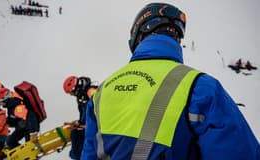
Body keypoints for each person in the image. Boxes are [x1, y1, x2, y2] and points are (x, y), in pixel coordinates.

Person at [81, 3, 260, 160]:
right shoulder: (202, 87)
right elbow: (237, 152)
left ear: (138, 36)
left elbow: (89, 154)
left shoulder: (102, 91)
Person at [63, 76, 98, 160]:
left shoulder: (91, 91)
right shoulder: (81, 97)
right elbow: (83, 113)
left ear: (76, 87)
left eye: (72, 92)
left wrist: (88, 125)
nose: (72, 95)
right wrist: (78, 123)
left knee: (76, 134)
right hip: (87, 125)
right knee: (75, 132)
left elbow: (99, 109)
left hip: (96, 125)